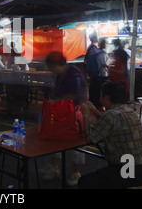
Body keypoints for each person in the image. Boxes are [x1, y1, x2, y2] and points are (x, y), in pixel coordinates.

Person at [78, 81, 142, 189]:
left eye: (101, 95)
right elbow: (107, 124)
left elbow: (89, 139)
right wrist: (94, 110)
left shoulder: (110, 115)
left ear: (106, 97)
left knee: (84, 182)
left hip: (130, 172)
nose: (100, 98)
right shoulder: (129, 110)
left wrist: (86, 114)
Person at [42, 51, 88, 186]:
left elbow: (76, 95)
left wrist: (55, 101)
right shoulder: (60, 74)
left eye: (51, 67)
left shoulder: (74, 74)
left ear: (58, 64)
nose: (50, 70)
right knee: (55, 140)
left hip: (75, 113)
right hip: (60, 113)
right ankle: (54, 168)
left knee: (77, 144)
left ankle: (76, 173)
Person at [85, 36, 108, 111]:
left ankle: (94, 106)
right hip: (101, 75)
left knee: (95, 91)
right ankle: (98, 108)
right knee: (99, 92)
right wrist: (111, 67)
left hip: (96, 75)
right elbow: (103, 64)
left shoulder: (95, 51)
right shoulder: (101, 53)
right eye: (106, 43)